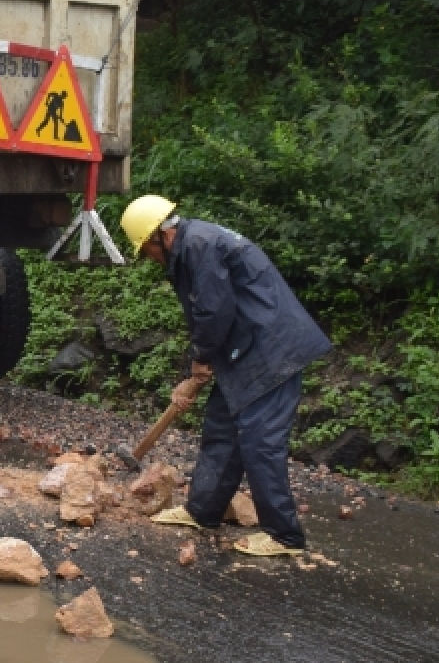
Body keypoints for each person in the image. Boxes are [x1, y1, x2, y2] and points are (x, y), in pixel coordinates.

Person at [120, 195, 332, 556]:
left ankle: (285, 536)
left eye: (146, 251)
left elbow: (213, 310)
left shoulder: (200, 246)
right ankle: (203, 511)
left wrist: (201, 361)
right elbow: (209, 309)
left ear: (161, 236)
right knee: (222, 428)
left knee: (260, 440)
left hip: (272, 349)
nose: (149, 259)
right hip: (245, 347)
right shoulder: (192, 246)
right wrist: (200, 363)